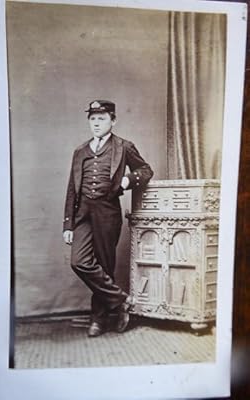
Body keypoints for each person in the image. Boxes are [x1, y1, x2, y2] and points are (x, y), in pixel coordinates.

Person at [63, 100, 153, 337]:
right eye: (92, 119)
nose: (96, 123)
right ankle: (122, 301)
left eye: (101, 119)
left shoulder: (124, 146)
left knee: (105, 265)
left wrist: (127, 180)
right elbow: (72, 188)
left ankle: (98, 320)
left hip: (107, 213)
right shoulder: (80, 151)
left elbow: (146, 170)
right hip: (83, 213)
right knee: (79, 261)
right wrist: (68, 224)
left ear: (112, 121)